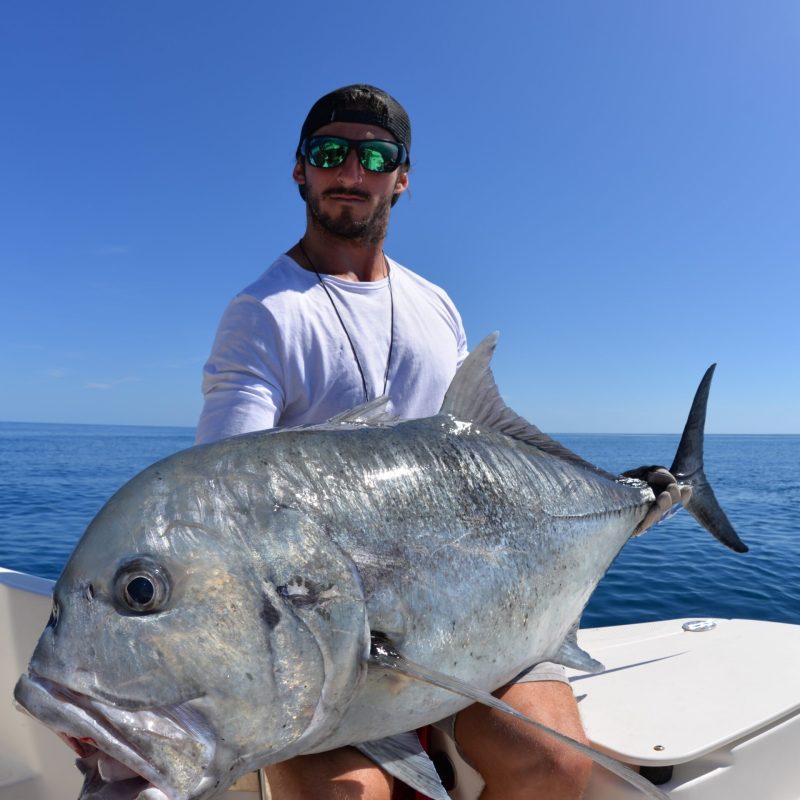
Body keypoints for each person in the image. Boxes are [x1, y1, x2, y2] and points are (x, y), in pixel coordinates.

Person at [196, 84, 686, 800]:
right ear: (300, 169)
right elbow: (222, 502)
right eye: (331, 153)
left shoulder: (435, 304)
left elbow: (479, 444)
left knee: (555, 766)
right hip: (329, 639)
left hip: (474, 605)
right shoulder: (263, 315)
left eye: (375, 156)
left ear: (403, 177)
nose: (351, 173)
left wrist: (614, 494)